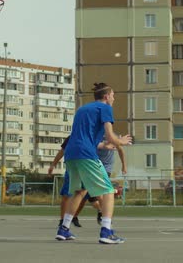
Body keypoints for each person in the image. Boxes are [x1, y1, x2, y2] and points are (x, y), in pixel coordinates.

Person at [55, 82, 132, 244]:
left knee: (79, 191)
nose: (113, 99)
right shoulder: (105, 108)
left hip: (71, 153)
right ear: (106, 96)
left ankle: (64, 229)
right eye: (113, 96)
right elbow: (111, 136)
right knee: (109, 191)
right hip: (86, 155)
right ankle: (106, 231)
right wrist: (121, 141)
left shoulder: (82, 110)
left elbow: (82, 137)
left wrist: (104, 145)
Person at [48, 136, 92, 228]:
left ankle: (74, 216)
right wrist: (53, 165)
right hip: (72, 168)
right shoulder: (71, 138)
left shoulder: (91, 135)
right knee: (67, 194)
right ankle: (62, 220)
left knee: (83, 196)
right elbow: (62, 151)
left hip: (87, 168)